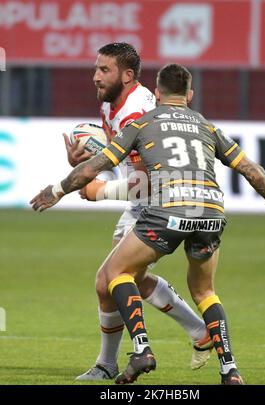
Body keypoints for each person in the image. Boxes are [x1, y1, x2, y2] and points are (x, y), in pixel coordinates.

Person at [30, 63, 265, 385]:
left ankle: (142, 350)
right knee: (205, 291)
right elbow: (252, 170)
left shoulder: (142, 121)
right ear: (190, 94)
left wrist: (57, 190)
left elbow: (94, 170)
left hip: (167, 209)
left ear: (157, 93)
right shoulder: (206, 126)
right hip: (211, 212)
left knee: (117, 273)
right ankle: (231, 371)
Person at [62, 43, 212, 380]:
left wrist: (99, 190)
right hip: (146, 201)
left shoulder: (137, 112)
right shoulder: (113, 105)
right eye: (96, 68)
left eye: (104, 70)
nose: (95, 77)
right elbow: (124, 165)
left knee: (110, 279)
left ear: (127, 75)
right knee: (127, 279)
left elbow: (146, 180)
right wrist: (89, 165)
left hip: (159, 203)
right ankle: (200, 332)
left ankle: (110, 363)